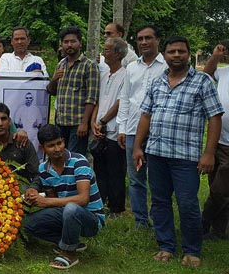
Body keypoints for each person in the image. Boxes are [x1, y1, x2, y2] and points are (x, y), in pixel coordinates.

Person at [132, 36, 223, 268]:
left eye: (181, 51)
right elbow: (146, 116)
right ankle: (165, 246)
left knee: (187, 203)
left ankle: (192, 250)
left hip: (186, 156)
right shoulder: (157, 82)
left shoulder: (202, 82)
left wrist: (209, 153)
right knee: (160, 202)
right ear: (165, 54)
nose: (176, 56)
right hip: (157, 153)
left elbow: (214, 117)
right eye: (172, 52)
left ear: (188, 53)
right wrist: (137, 147)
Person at [24, 125, 105, 270]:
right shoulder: (43, 169)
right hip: (66, 213)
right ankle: (68, 241)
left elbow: (83, 199)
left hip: (91, 218)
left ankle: (69, 253)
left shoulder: (79, 161)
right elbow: (54, 201)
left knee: (71, 208)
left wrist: (47, 202)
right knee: (26, 224)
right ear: (42, 148)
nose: (57, 149)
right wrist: (33, 196)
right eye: (51, 146)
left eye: (59, 143)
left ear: (63, 141)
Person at [116, 25, 166, 228]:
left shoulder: (166, 66)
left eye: (148, 38)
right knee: (136, 178)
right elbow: (125, 98)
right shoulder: (132, 68)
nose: (144, 42)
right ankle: (141, 221)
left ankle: (159, 220)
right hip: (132, 131)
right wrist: (122, 127)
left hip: (158, 132)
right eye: (140, 39)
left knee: (157, 179)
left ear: (158, 40)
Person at [46, 26, 99, 156]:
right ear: (61, 45)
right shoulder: (61, 65)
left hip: (78, 123)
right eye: (66, 42)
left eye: (73, 41)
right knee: (60, 156)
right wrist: (54, 80)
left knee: (74, 159)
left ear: (80, 43)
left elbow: (91, 98)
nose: (69, 45)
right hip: (61, 121)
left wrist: (84, 123)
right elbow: (52, 92)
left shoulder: (89, 65)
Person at [90, 37, 127, 217]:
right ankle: (101, 201)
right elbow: (98, 100)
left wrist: (103, 121)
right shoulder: (103, 74)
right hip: (99, 128)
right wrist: (93, 122)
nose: (103, 53)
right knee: (100, 169)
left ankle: (116, 207)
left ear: (117, 53)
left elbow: (120, 102)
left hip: (113, 129)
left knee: (115, 170)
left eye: (107, 50)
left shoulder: (125, 75)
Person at [200, 42, 229, 240]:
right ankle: (219, 231)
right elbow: (206, 75)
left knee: (221, 189)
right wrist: (215, 56)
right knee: (215, 186)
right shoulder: (224, 72)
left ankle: (201, 222)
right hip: (218, 139)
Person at [0, 103, 39, 183]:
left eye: (3, 119)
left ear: (9, 121)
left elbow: (37, 173)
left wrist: (32, 189)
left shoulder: (22, 142)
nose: (0, 123)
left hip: (20, 190)